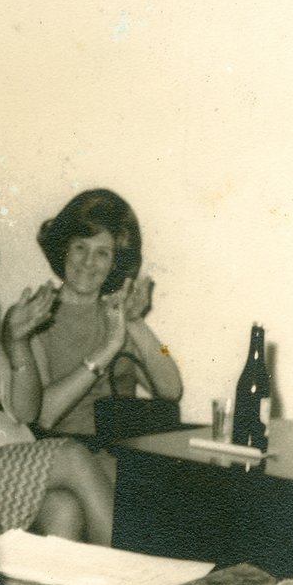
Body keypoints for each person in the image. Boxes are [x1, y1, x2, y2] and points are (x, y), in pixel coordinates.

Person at [0, 202, 113, 544]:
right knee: (73, 456)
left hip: (10, 457)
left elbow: (25, 412)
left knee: (64, 509)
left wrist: (16, 341)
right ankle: (128, 570)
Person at [31, 188, 182, 439]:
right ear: (64, 249)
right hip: (64, 451)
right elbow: (43, 415)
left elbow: (172, 389)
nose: (88, 262)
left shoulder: (117, 315)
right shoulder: (37, 314)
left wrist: (136, 322)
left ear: (115, 263)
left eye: (102, 253)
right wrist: (108, 349)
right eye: (80, 247)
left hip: (121, 451)